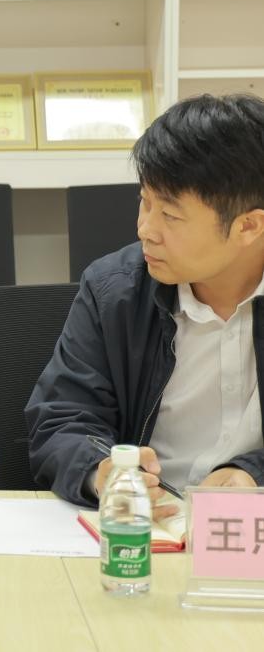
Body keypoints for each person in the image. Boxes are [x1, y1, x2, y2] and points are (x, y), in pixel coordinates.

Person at [27, 94, 264, 512]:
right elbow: (62, 418)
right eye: (145, 201)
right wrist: (101, 472)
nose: (145, 229)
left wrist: (252, 474)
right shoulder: (113, 291)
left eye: (170, 215)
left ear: (248, 226)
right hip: (139, 525)